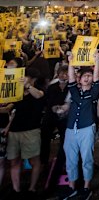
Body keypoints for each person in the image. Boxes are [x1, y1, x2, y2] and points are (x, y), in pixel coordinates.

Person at [61, 52, 99, 200]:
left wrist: (96, 61)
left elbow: (97, 78)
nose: (87, 77)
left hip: (86, 129)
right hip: (71, 129)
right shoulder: (74, 91)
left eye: (89, 76)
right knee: (70, 159)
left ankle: (86, 187)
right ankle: (71, 186)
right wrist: (70, 62)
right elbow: (71, 78)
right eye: (84, 75)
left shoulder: (94, 92)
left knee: (87, 159)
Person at [6, 67, 45, 197]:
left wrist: (27, 86)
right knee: (14, 161)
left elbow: (38, 95)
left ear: (33, 79)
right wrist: (8, 127)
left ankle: (32, 188)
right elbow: (11, 111)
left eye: (26, 76)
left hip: (31, 130)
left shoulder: (38, 90)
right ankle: (16, 190)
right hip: (14, 131)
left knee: (35, 160)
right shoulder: (15, 92)